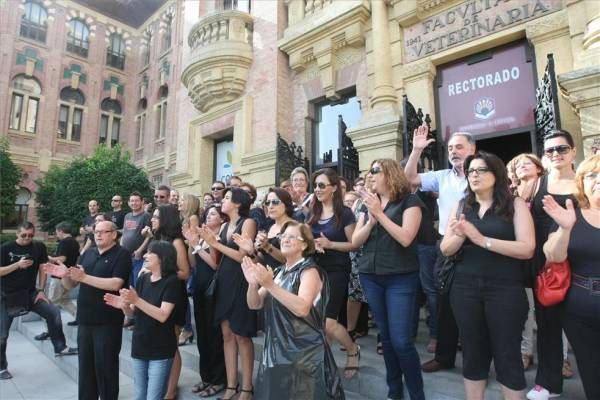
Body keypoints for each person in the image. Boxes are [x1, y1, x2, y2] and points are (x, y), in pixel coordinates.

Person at [441, 152, 535, 400]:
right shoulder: (461, 206)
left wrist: (481, 240)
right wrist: (461, 235)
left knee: (507, 354)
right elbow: (445, 248)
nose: (474, 175)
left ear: (496, 174)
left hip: (505, 289)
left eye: (481, 170)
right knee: (472, 352)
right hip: (464, 288)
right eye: (471, 171)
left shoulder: (514, 204)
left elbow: (527, 248)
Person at [243, 221, 345, 399]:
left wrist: (270, 285)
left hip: (305, 355)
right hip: (276, 351)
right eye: (283, 236)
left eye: (292, 237)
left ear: (305, 244)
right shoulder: (279, 272)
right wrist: (253, 285)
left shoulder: (310, 271)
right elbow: (255, 304)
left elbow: (302, 308)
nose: (285, 240)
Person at [404, 124, 475, 372]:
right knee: (444, 305)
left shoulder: (484, 173)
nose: (454, 151)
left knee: (473, 306)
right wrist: (416, 151)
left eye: (460, 147)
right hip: (446, 248)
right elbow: (408, 179)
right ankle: (444, 358)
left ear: (472, 149)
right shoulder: (442, 176)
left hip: (476, 248)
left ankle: (475, 361)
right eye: (451, 147)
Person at [352, 159, 425, 400]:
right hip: (371, 276)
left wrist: (379, 214)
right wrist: (372, 218)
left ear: (390, 174)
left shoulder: (410, 201)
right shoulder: (368, 205)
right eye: (369, 171)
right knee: (386, 337)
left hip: (401, 277)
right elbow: (355, 241)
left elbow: (405, 238)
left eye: (375, 171)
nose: (370, 175)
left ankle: (416, 394)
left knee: (401, 341)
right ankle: (395, 391)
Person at [45, 220, 131, 399]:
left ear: (114, 234)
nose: (98, 235)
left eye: (103, 232)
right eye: (95, 232)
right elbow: (71, 284)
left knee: (106, 368)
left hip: (107, 321)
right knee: (86, 369)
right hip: (85, 320)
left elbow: (116, 283)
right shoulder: (88, 254)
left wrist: (84, 277)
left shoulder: (121, 254)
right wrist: (65, 276)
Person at [542, 154, 600, 399]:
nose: (598, 180)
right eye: (592, 175)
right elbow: (553, 256)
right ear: (582, 184)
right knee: (593, 375)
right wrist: (565, 229)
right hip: (580, 310)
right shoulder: (570, 215)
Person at [527, 130, 578, 400]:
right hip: (546, 268)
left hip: (581, 264)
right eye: (550, 151)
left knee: (585, 324)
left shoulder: (585, 182)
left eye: (561, 149)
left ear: (573, 151)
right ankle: (548, 382)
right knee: (547, 326)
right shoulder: (537, 184)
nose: (556, 154)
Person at [198, 188, 257, 400]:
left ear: (238, 203)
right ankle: (232, 385)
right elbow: (217, 260)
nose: (223, 200)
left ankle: (247, 387)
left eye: (228, 198)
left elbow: (243, 256)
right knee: (227, 335)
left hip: (240, 281)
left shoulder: (247, 223)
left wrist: (215, 243)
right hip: (223, 281)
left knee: (242, 335)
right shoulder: (223, 226)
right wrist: (204, 244)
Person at [104, 240, 180, 400]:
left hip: (161, 349)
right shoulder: (144, 278)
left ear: (162, 257)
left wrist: (136, 300)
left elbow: (163, 315)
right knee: (139, 395)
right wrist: (124, 306)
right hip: (140, 345)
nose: (145, 255)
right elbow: (133, 314)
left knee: (153, 397)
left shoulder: (172, 282)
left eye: (149, 252)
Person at [1, 222, 77, 380]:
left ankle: (60, 347)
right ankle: (2, 367)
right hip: (6, 295)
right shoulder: (6, 248)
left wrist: (41, 290)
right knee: (2, 333)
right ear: (17, 233)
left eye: (30, 235)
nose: (27, 238)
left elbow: (43, 268)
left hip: (30, 293)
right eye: (24, 235)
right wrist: (17, 265)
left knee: (53, 312)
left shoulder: (38, 247)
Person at [306, 168, 360, 379]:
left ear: (334, 188)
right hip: (315, 269)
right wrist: (313, 245)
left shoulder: (345, 213)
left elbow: (353, 245)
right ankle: (323, 358)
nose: (317, 189)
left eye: (322, 185)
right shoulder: (313, 212)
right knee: (315, 318)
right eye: (315, 186)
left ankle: (352, 349)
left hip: (337, 269)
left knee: (328, 321)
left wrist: (330, 244)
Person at [184, 204, 227, 397]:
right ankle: (206, 376)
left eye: (213, 214)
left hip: (215, 291)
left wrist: (199, 245)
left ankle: (219, 379)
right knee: (202, 336)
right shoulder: (202, 237)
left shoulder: (218, 238)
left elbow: (214, 264)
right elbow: (193, 264)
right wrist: (191, 244)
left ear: (221, 219)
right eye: (207, 214)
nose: (208, 217)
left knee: (214, 336)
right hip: (199, 290)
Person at [148, 205, 190, 400]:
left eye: (156, 217)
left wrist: (160, 270)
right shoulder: (156, 240)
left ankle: (171, 390)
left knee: (171, 345)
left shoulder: (176, 242)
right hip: (156, 295)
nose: (153, 219)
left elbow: (184, 273)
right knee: (161, 343)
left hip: (173, 297)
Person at [509, 153, 545, 370]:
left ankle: (561, 358)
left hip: (544, 257)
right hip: (519, 259)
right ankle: (525, 352)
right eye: (518, 164)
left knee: (549, 310)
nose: (522, 166)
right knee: (525, 309)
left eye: (527, 163)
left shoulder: (547, 189)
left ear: (539, 168)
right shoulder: (510, 194)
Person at [35, 221, 80, 341]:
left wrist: (48, 258)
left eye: (56, 232)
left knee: (49, 305)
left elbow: (62, 258)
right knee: (64, 300)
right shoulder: (74, 242)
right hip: (68, 276)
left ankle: (48, 330)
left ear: (61, 231)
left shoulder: (65, 242)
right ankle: (79, 316)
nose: (56, 234)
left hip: (59, 277)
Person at [234, 187, 295, 269]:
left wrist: (267, 247)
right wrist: (251, 251)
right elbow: (262, 262)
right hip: (269, 278)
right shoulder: (269, 227)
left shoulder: (294, 227)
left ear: (286, 204)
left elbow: (292, 260)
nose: (270, 206)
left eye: (275, 202)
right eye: (268, 203)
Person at [178, 193, 201, 345]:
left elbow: (194, 239)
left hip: (190, 259)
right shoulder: (182, 218)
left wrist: (181, 240)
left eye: (182, 200)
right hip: (183, 258)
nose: (179, 202)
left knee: (185, 295)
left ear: (190, 203)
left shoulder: (193, 218)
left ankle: (187, 329)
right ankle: (185, 328)